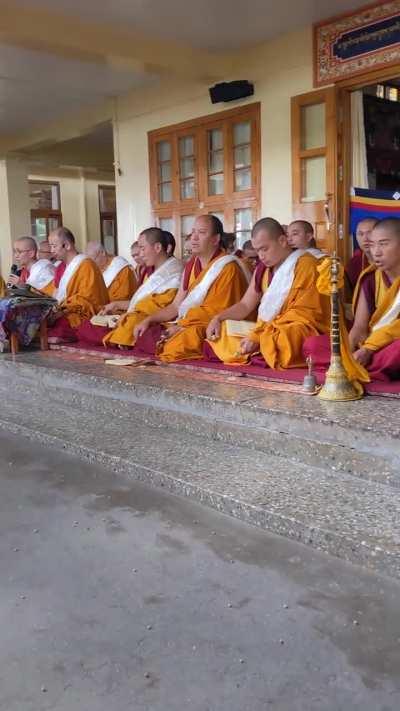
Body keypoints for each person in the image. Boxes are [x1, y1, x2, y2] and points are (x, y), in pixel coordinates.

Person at [204, 217, 330, 369]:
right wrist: (218, 318)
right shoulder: (262, 270)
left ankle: (257, 348)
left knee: (287, 337)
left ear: (283, 241)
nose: (261, 256)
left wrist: (259, 336)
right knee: (223, 328)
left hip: (294, 328)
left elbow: (305, 315)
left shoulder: (306, 265)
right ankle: (258, 349)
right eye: (257, 251)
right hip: (266, 329)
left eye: (265, 249)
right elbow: (245, 305)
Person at [133, 214, 249, 362]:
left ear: (215, 239)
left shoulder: (228, 268)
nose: (194, 237)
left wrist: (180, 326)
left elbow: (216, 311)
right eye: (193, 232)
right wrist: (149, 319)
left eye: (201, 233)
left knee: (183, 340)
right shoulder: (191, 266)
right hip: (187, 322)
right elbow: (176, 305)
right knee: (146, 331)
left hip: (211, 326)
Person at [305, 218, 400, 381]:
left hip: (387, 344)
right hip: (371, 341)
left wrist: (368, 349)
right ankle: (362, 365)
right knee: (313, 345)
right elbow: (359, 328)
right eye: (373, 245)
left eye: (383, 244)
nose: (376, 252)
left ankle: (368, 363)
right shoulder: (370, 278)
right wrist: (344, 358)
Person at [88, 228, 183, 348]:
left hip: (152, 319)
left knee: (132, 323)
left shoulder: (174, 273)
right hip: (135, 315)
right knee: (90, 324)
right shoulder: (149, 270)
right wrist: (115, 305)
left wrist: (133, 315)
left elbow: (162, 307)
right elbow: (139, 301)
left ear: (158, 248)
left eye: (143, 249)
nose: (140, 255)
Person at [45, 227, 109, 343]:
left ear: (67, 245)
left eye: (54, 246)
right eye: (50, 246)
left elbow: (88, 298)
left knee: (60, 328)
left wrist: (62, 309)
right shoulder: (60, 267)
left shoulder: (86, 265)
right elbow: (56, 293)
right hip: (63, 310)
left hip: (80, 313)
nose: (51, 250)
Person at [346, 218, 378, 292]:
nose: (365, 238)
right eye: (360, 234)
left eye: (369, 233)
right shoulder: (354, 263)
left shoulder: (393, 262)